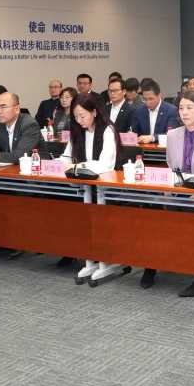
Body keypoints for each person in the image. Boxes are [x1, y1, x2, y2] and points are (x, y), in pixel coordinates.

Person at [139, 91, 194, 298]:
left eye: (189, 108)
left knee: (192, 217)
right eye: (181, 108)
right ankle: (151, 266)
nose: (184, 112)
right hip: (176, 192)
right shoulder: (173, 135)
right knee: (150, 214)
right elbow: (171, 166)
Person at [67, 94, 121, 283]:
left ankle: (105, 259)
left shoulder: (107, 130)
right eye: (75, 116)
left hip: (108, 188)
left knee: (99, 217)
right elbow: (66, 157)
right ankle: (90, 259)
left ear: (95, 112)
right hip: (85, 185)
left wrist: (79, 166)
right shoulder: (77, 130)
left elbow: (106, 164)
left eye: (82, 116)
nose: (79, 120)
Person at [0, 90, 41, 160]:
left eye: (3, 107)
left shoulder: (29, 124)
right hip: (10, 165)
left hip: (36, 165)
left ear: (17, 109)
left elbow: (21, 155)